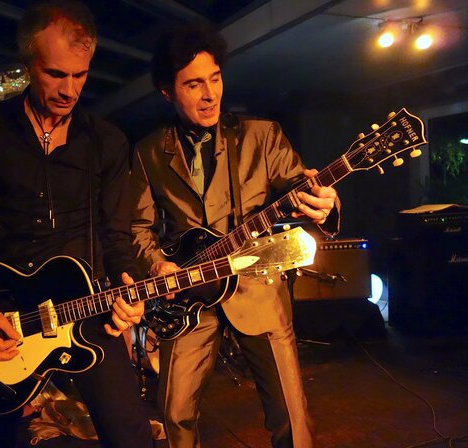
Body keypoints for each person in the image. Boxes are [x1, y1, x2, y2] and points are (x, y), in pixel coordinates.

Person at [0, 1, 153, 447]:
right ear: (29, 64)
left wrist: (127, 285)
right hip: (7, 306)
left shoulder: (107, 141)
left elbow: (116, 234)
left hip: (85, 306)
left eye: (80, 75)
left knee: (131, 433)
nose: (69, 90)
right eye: (55, 74)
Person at [130, 26, 340, 448]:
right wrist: (156, 265)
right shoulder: (148, 152)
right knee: (174, 414)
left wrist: (325, 203)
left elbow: (304, 189)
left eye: (215, 78)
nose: (210, 94)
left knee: (290, 418)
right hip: (189, 297)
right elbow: (138, 228)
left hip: (258, 289)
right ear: (167, 92)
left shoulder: (263, 136)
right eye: (193, 84)